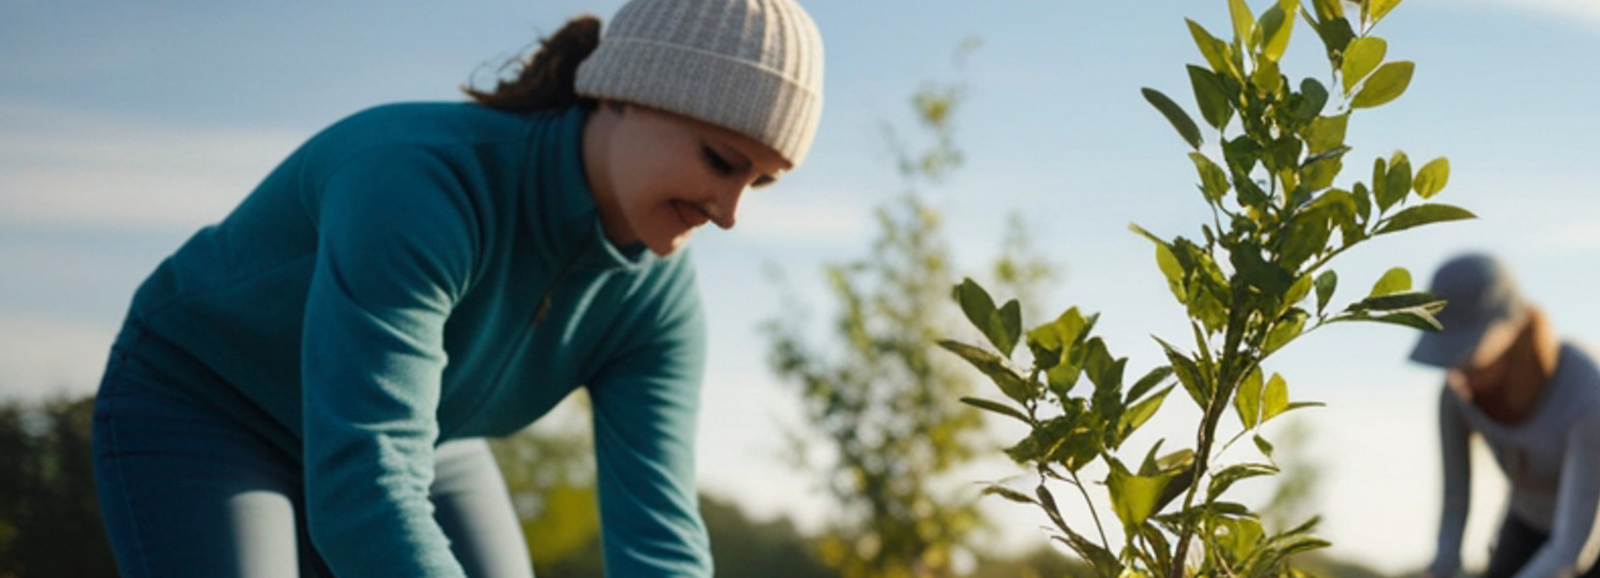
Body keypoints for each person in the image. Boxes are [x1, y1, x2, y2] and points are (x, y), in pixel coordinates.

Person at [88, 0, 824, 576]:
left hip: (429, 442)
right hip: (211, 410)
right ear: (627, 94)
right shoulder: (417, 183)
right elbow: (364, 485)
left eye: (759, 182)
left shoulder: (658, 300)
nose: (730, 213)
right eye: (721, 161)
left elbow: (658, 541)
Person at [1411, 253, 1600, 578]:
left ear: (1512, 334)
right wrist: (1442, 567)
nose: (1459, 377)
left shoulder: (1587, 392)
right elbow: (1455, 499)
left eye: (1470, 356)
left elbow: (1572, 550)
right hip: (1526, 523)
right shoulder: (1456, 393)